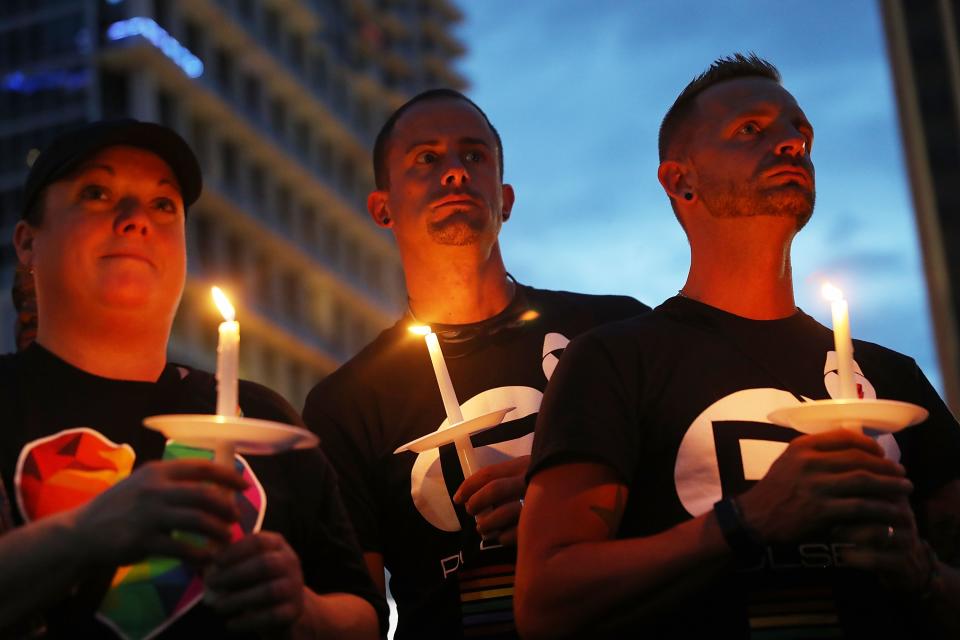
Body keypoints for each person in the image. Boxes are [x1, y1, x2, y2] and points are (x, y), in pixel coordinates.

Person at [516, 54, 960, 639]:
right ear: (681, 181)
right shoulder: (615, 363)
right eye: (751, 129)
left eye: (799, 132)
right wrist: (746, 521)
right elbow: (546, 601)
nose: (790, 145)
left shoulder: (893, 378)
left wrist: (921, 573)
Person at [0, 119, 385, 639]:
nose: (135, 219)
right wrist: (86, 534)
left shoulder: (264, 420)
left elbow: (364, 614)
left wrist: (304, 610)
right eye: (97, 193)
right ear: (27, 243)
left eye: (163, 205)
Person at [302, 89, 648, 638]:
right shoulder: (348, 403)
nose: (456, 173)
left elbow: (693, 505)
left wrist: (564, 501)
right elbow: (357, 611)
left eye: (474, 156)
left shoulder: (613, 335)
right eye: (427, 159)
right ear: (382, 208)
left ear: (505, 199)